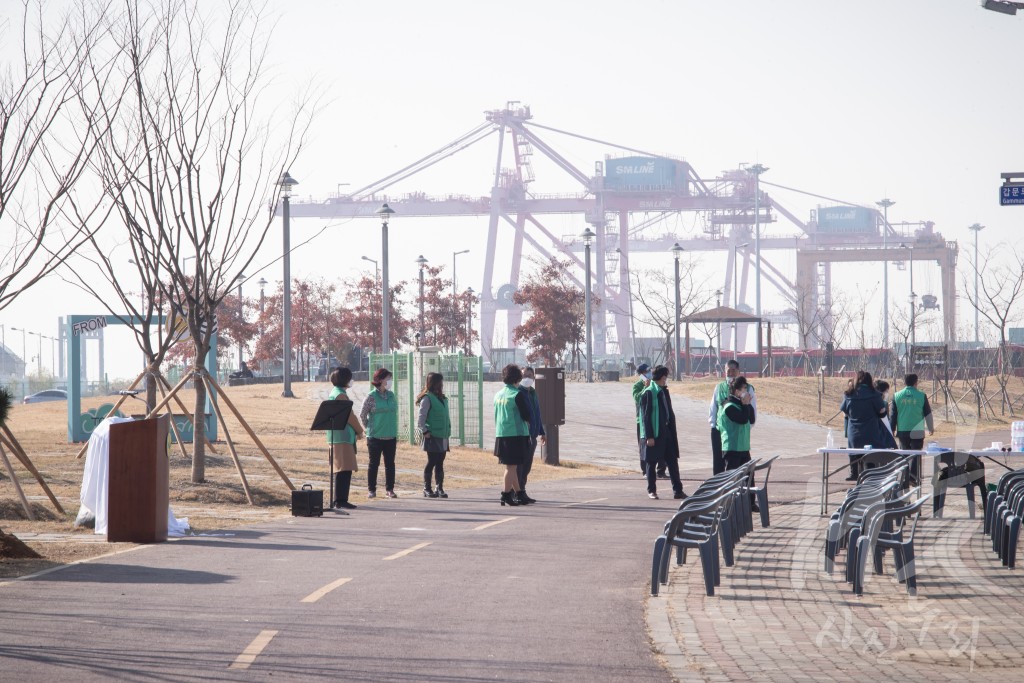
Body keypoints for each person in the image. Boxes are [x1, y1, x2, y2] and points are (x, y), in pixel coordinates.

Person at [638, 365, 685, 500]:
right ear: (661, 377)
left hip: (666, 432)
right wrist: (649, 436)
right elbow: (646, 417)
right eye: (665, 377)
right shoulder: (649, 392)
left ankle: (678, 491)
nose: (666, 379)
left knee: (672, 462)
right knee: (651, 462)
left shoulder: (664, 391)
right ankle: (652, 490)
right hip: (654, 433)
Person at [708, 359, 757, 475]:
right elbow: (713, 409)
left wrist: (746, 429)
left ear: (738, 371)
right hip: (721, 431)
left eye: (733, 371)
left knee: (746, 472)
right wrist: (714, 426)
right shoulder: (719, 388)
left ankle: (745, 493)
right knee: (720, 464)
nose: (730, 374)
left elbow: (751, 415)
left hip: (739, 437)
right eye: (728, 371)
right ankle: (719, 490)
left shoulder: (749, 388)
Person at [493, 363, 532, 506]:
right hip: (515, 435)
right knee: (510, 467)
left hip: (501, 433)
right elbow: (527, 415)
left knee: (512, 466)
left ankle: (519, 493)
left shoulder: (498, 395)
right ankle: (505, 494)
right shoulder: (517, 394)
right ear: (518, 378)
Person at [326, 367, 365, 509]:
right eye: (349, 378)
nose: (351, 380)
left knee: (342, 468)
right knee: (344, 469)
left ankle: (340, 499)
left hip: (337, 436)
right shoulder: (340, 395)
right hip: (342, 437)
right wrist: (360, 430)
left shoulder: (336, 393)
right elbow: (350, 416)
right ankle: (340, 500)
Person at [839, 370, 887, 481]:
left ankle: (854, 473)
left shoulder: (849, 394)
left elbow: (844, 412)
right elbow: (882, 412)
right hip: (871, 431)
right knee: (870, 454)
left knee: (853, 451)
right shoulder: (875, 394)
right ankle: (869, 474)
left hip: (854, 431)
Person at [360, 367, 400, 498]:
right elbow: (363, 414)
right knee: (374, 464)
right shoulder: (371, 397)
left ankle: (390, 489)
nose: (390, 381)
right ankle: (372, 490)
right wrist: (369, 428)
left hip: (390, 436)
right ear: (381, 380)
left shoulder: (391, 395)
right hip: (375, 437)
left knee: (390, 464)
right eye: (388, 378)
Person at [890, 373, 934, 484]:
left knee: (905, 454)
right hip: (917, 430)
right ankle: (913, 478)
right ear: (916, 382)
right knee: (916, 454)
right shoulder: (921, 395)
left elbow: (893, 415)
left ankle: (904, 478)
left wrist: (892, 429)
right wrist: (930, 427)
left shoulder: (897, 396)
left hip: (903, 430)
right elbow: (927, 413)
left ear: (904, 382)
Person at [416, 372, 451, 499]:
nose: (442, 384)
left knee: (440, 461)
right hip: (432, 435)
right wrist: (425, 431)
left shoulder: (442, 398)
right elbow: (421, 418)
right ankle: (427, 488)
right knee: (432, 461)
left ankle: (439, 487)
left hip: (443, 435)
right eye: (440, 382)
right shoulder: (427, 398)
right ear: (434, 383)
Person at [517, 367, 546, 504]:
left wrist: (542, 432)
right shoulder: (519, 392)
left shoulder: (533, 393)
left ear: (534, 378)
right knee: (519, 466)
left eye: (530, 375)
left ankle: (522, 490)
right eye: (524, 375)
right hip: (522, 436)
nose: (527, 378)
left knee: (527, 466)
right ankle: (517, 491)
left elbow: (537, 414)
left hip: (533, 436)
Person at [632, 363, 666, 477]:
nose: (649, 373)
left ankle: (661, 470)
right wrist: (645, 388)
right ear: (641, 374)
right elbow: (637, 398)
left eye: (650, 371)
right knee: (644, 446)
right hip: (641, 421)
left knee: (662, 444)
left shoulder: (654, 383)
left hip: (657, 418)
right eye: (647, 372)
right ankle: (645, 471)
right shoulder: (637, 386)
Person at [717, 375, 756, 472]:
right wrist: (745, 404)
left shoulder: (742, 404)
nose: (746, 392)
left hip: (744, 448)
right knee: (732, 480)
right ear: (737, 391)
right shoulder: (729, 406)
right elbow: (742, 419)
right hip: (732, 449)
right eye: (744, 389)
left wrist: (747, 404)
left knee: (748, 478)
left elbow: (751, 419)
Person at [873, 379, 898, 449]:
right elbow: (886, 420)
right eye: (886, 391)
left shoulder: (870, 402)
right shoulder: (883, 404)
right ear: (881, 392)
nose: (887, 393)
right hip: (882, 435)